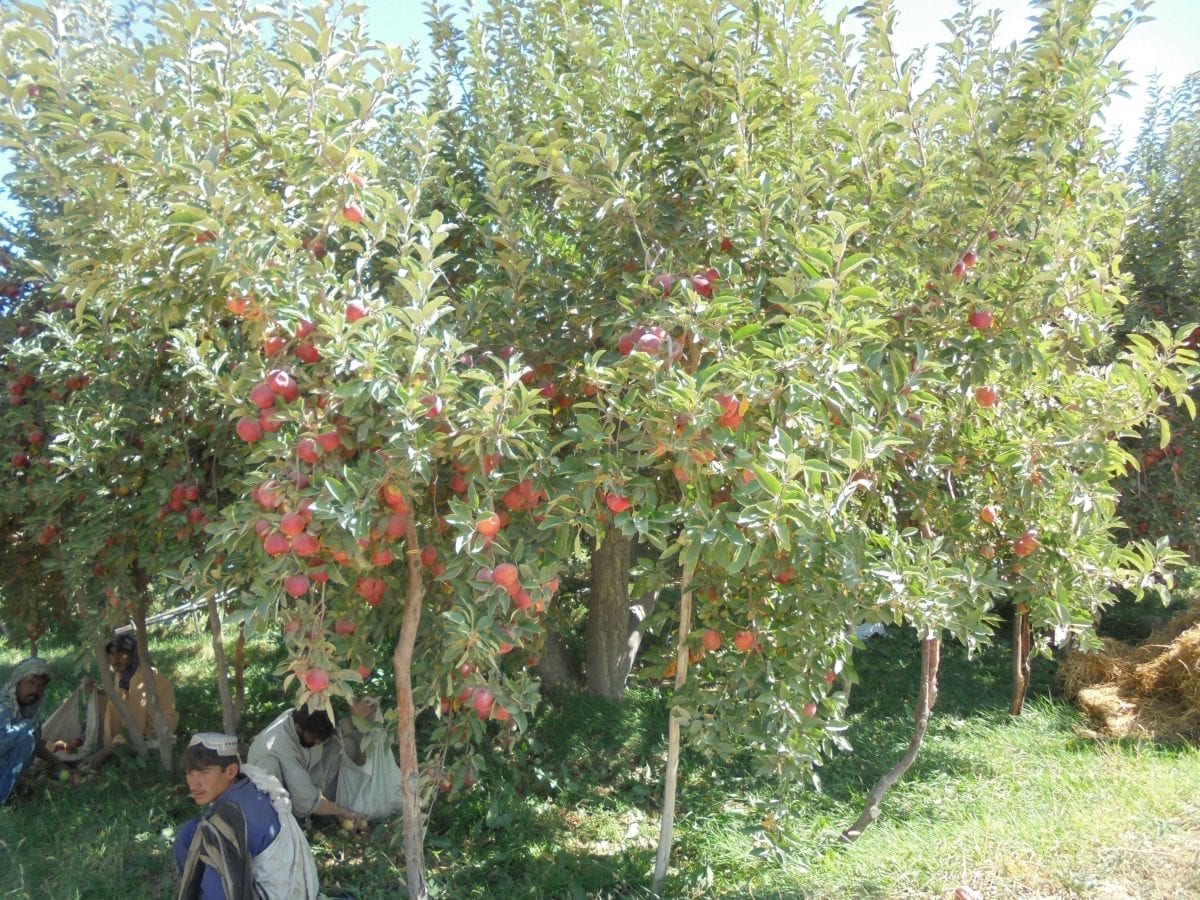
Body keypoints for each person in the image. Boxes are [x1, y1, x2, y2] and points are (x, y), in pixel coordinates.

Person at [174, 732, 319, 899]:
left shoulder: (233, 815)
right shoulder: (251, 785)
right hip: (297, 890)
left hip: (271, 894)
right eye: (190, 773)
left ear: (231, 771)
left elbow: (221, 891)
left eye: (204, 772)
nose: (194, 784)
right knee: (192, 832)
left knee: (197, 837)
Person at [246, 701, 375, 829]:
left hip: (303, 777)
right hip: (278, 797)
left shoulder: (304, 719)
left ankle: (323, 809)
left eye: (322, 738)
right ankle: (295, 821)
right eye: (315, 738)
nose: (318, 742)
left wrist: (353, 720)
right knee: (301, 799)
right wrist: (342, 812)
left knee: (347, 745)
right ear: (299, 727)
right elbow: (304, 799)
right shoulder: (280, 747)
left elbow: (333, 736)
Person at [87, 633, 179, 762]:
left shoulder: (141, 677)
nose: (115, 659)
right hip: (140, 725)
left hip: (155, 733)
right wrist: (97, 692)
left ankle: (116, 746)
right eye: (112, 654)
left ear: (133, 655)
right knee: (106, 701)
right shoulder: (122, 674)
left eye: (122, 654)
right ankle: (114, 744)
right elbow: (121, 698)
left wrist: (105, 752)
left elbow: (136, 720)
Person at [1, 657, 71, 804]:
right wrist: (27, 727)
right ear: (18, 682)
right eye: (31, 683)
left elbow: (34, 743)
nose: (35, 690)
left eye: (40, 686)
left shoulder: (28, 710)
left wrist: (60, 764)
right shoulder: (5, 707)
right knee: (28, 728)